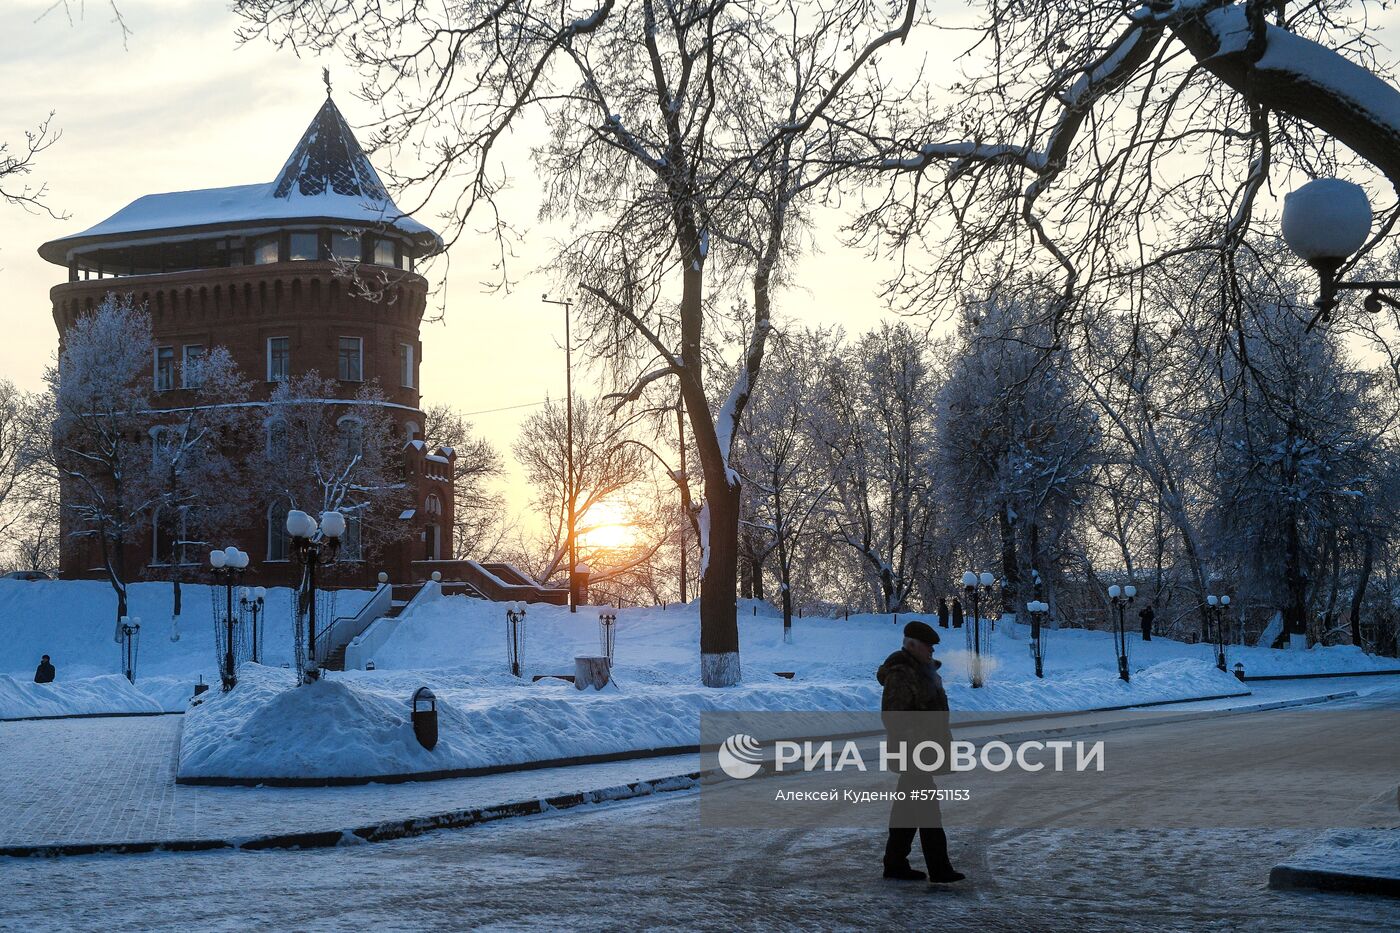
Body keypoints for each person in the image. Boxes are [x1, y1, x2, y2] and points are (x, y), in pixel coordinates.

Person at [876, 621, 965, 884]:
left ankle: (895, 864)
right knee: (928, 811)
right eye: (928, 646)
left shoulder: (923, 672)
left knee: (905, 812)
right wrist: (921, 744)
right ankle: (939, 868)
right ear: (912, 645)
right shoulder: (902, 673)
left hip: (922, 752)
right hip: (913, 754)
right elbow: (894, 718)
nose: (932, 652)